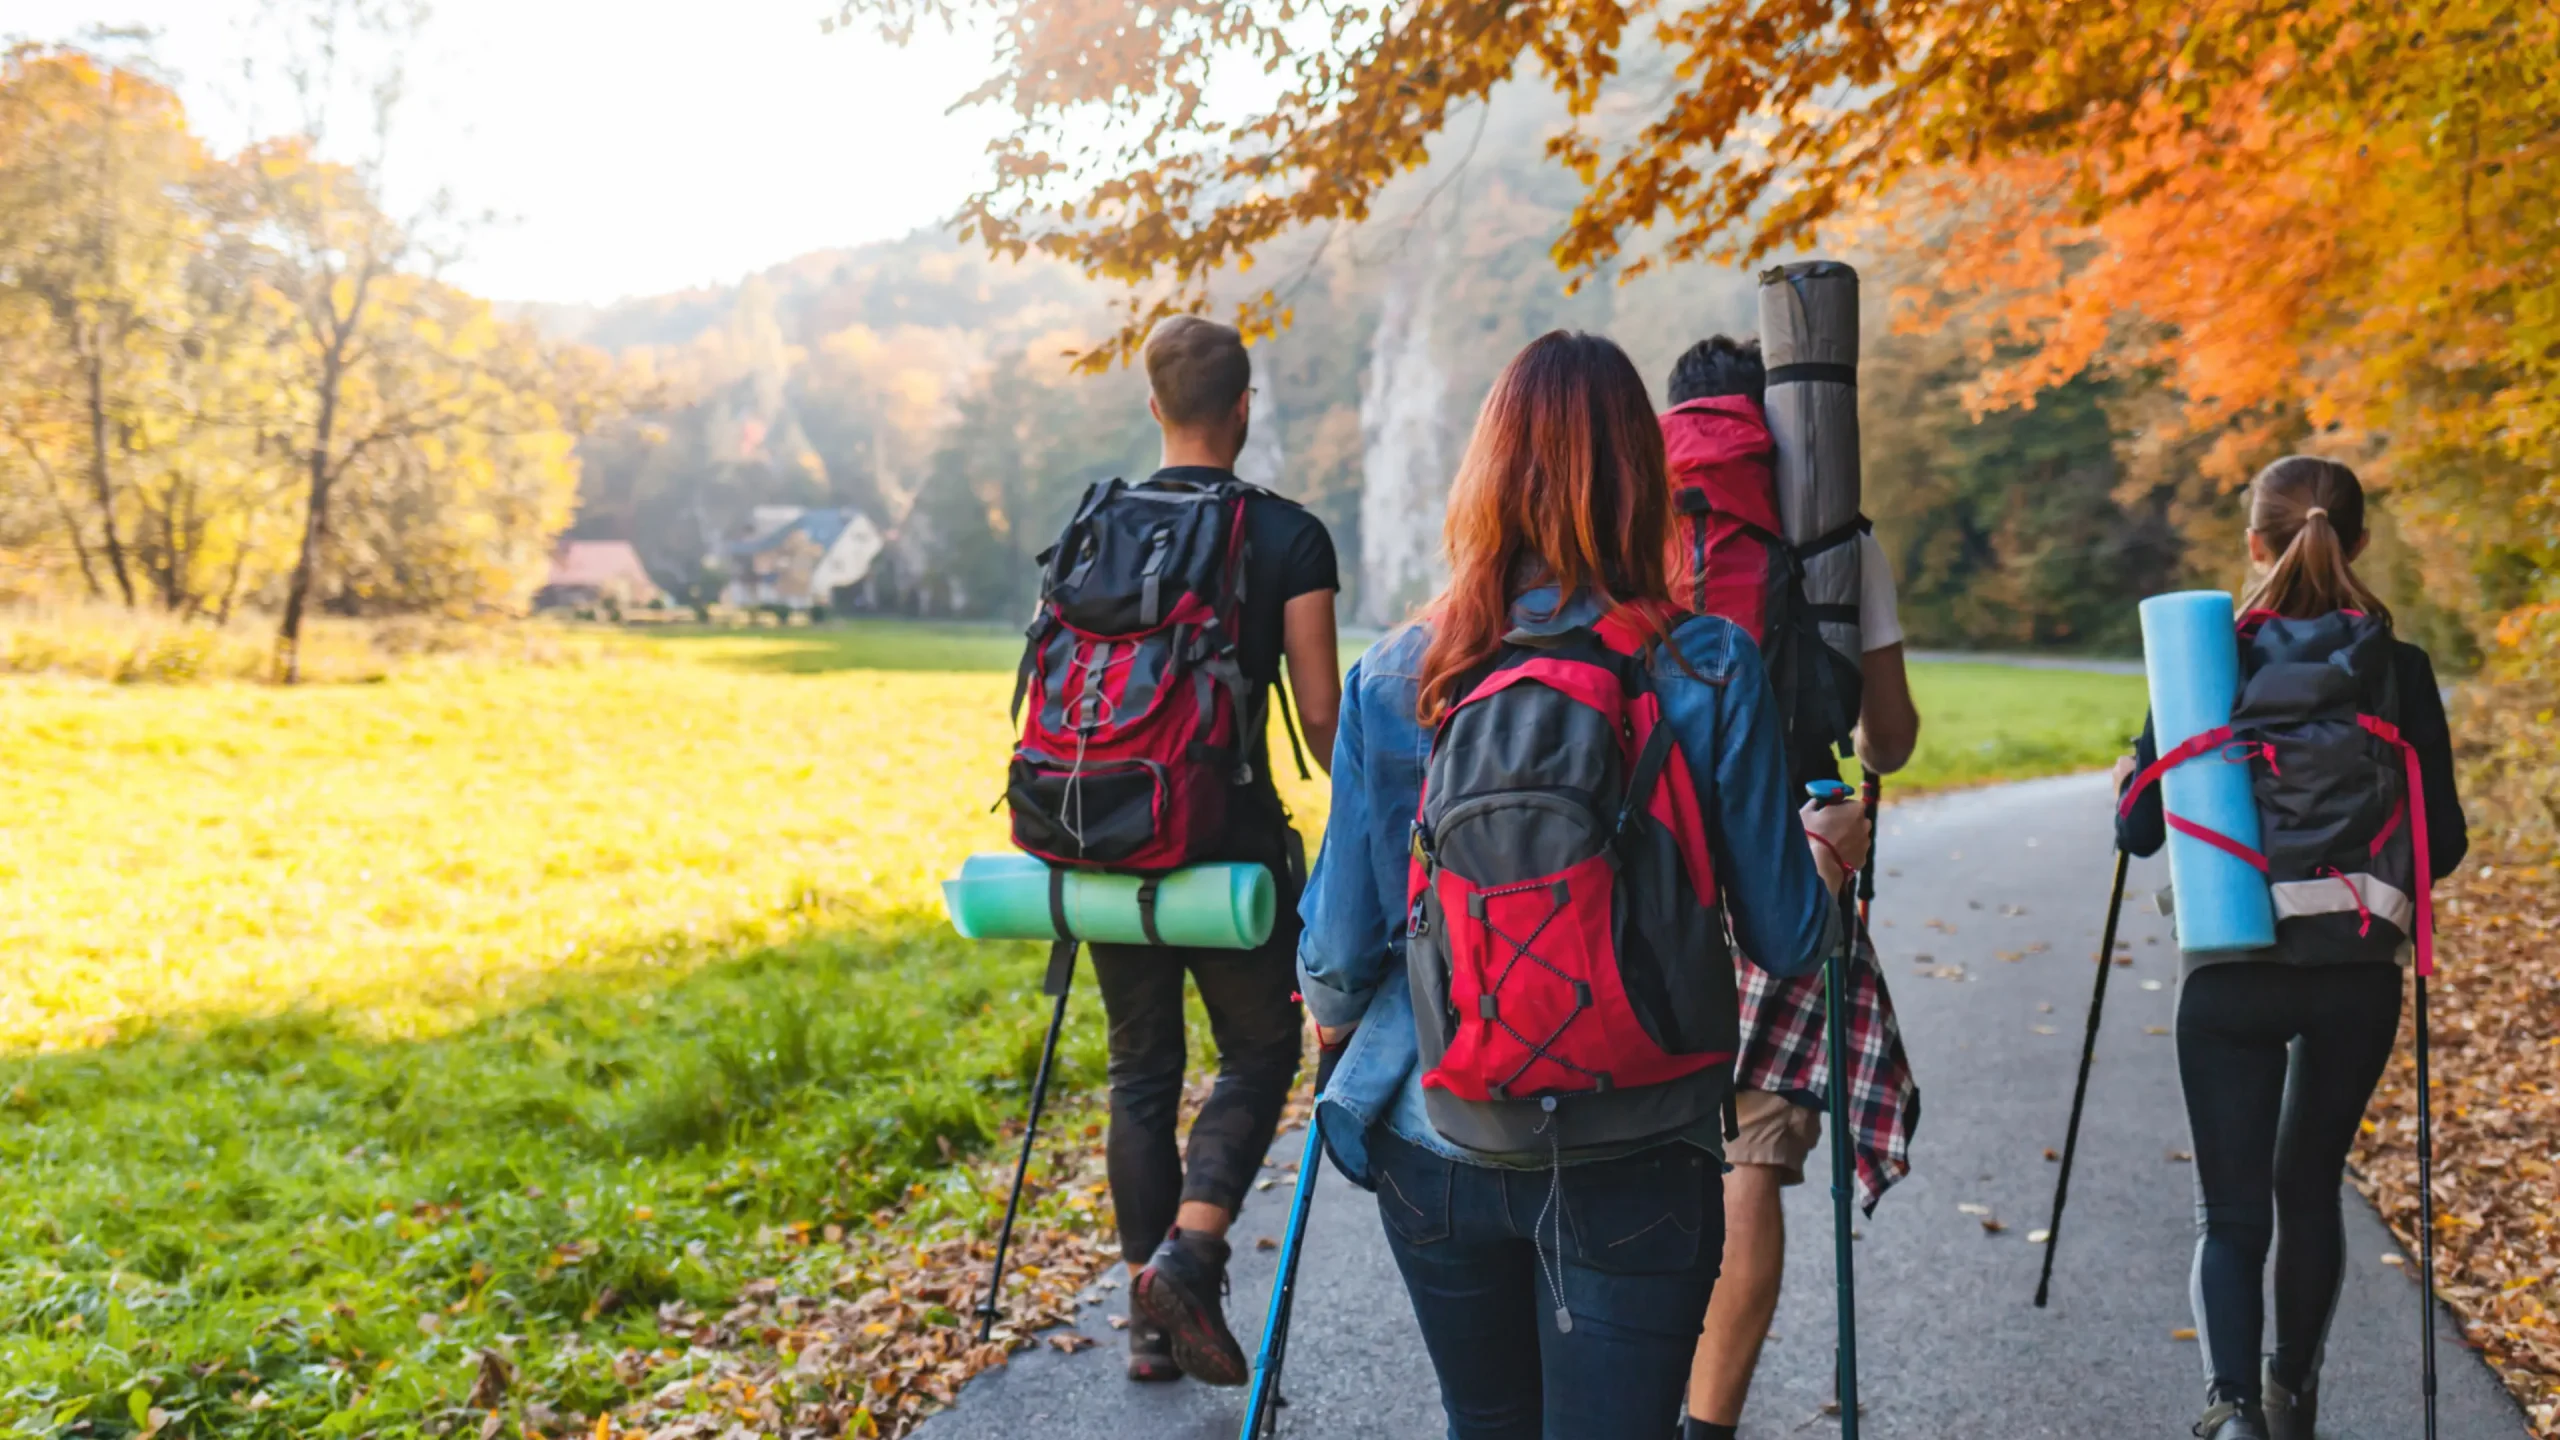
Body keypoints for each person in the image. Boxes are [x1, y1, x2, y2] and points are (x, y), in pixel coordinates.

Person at [1296, 330, 1870, 1439]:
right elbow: (1789, 939)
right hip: (1640, 1139)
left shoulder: (1398, 672)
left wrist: (1333, 1021)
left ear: (1485, 474)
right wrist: (1832, 853)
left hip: (1440, 1131)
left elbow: (1337, 952)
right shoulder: (1706, 664)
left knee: (1487, 1425)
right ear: (1642, 479)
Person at [2114, 457, 2467, 1440]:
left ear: (2253, 543)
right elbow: (2447, 839)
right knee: (2308, 1184)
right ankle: (2291, 1394)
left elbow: (2141, 834)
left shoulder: (2201, 657)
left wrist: (2126, 787)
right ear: (2358, 542)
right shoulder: (2398, 669)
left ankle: (2229, 1415)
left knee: (2229, 1214)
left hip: (2230, 972)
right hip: (2353, 976)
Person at [1658, 335, 1924, 1440]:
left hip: (1646, 858)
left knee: (1637, 1133)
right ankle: (1706, 1424)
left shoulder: (1625, 514)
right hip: (1790, 852)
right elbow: (1892, 739)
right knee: (1753, 1152)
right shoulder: (1832, 538)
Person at [1103, 315, 1343, 1387]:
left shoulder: (1095, 525)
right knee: (1259, 1052)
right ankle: (1189, 1255)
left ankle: (1147, 1325)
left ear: (1153, 407)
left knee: (1140, 1071)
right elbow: (1327, 718)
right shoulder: (1289, 536)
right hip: (1227, 853)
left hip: (1100, 843)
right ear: (1245, 408)